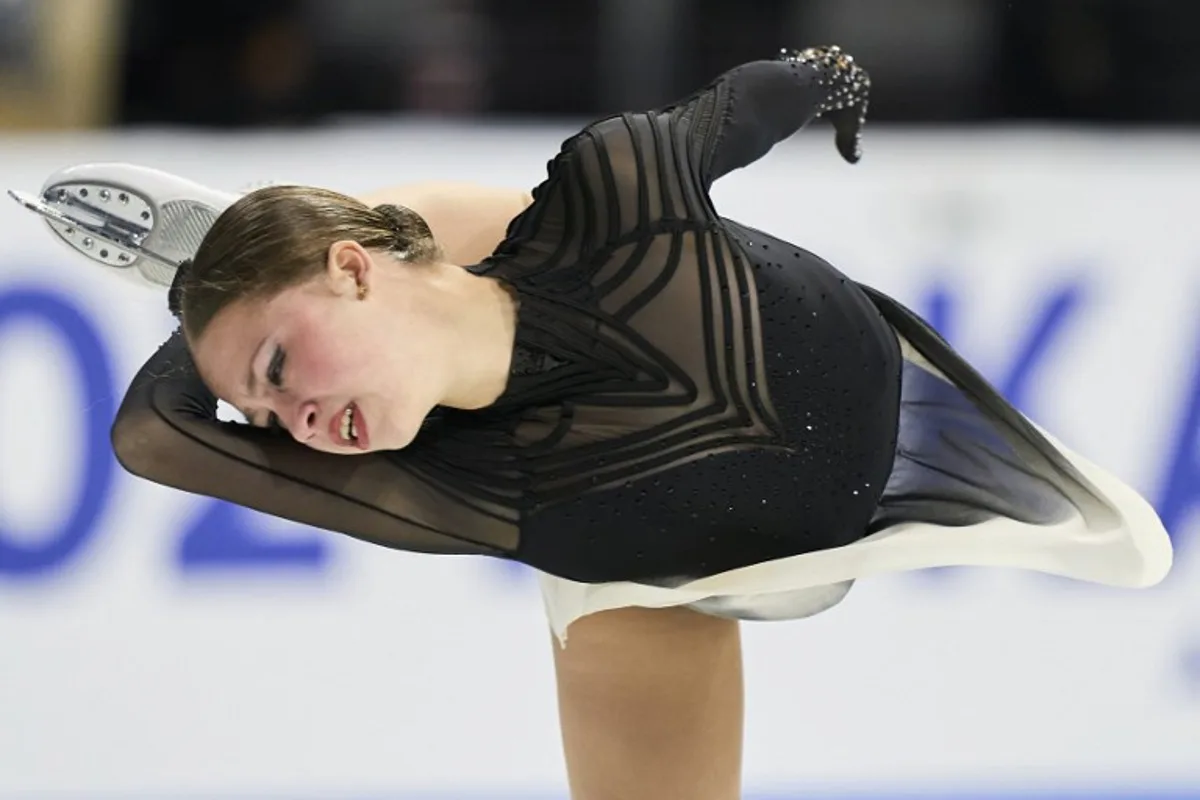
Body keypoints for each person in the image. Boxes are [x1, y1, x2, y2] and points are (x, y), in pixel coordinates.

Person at [14, 46, 1172, 800]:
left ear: (353, 270)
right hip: (645, 564)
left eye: (278, 367)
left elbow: (766, 94)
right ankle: (275, 264)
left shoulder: (618, 192)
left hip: (835, 387)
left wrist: (838, 82)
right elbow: (150, 434)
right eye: (261, 413)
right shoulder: (470, 494)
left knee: (507, 254)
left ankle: (333, 252)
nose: (292, 421)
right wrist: (217, 309)